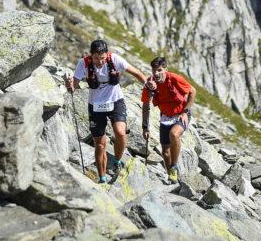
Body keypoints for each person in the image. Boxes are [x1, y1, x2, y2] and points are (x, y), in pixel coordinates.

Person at [65, 39, 147, 183]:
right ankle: (102, 178)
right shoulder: (83, 63)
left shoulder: (114, 59)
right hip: (95, 104)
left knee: (121, 132)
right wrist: (70, 85)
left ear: (106, 55)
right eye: (96, 58)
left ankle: (116, 160)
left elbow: (137, 72)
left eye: (102, 58)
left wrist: (149, 85)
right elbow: (74, 86)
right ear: (91, 55)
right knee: (100, 144)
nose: (100, 61)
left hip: (115, 100)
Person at [141, 56, 195, 183]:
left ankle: (174, 167)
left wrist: (185, 112)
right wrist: (145, 127)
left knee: (174, 134)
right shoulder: (150, 85)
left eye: (160, 70)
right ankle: (172, 177)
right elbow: (145, 105)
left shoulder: (174, 78)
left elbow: (193, 91)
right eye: (154, 71)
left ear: (166, 69)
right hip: (165, 116)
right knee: (165, 152)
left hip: (181, 114)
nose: (157, 73)